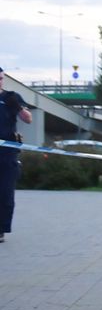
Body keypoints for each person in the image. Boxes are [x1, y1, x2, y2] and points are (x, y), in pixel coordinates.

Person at [0, 66, 35, 243]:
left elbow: (28, 119)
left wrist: (18, 108)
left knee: (5, 192)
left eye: (0, 79)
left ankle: (1, 230)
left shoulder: (10, 98)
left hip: (7, 152)